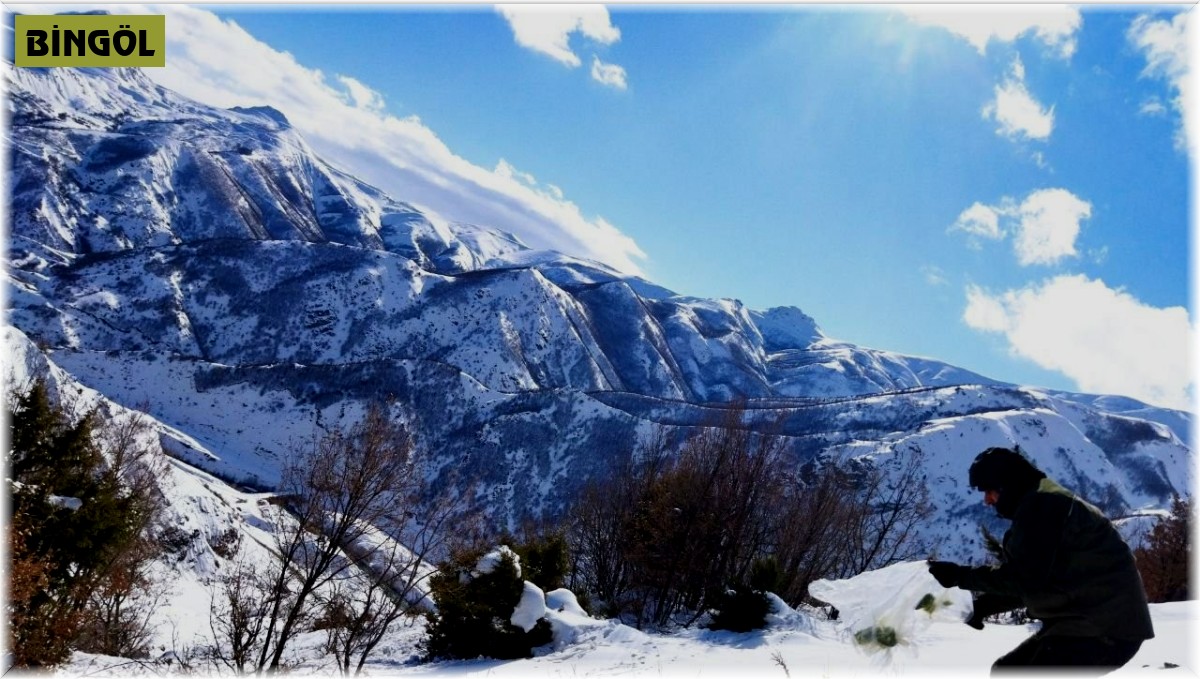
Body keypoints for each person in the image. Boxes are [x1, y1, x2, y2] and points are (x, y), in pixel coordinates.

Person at [927, 447, 1153, 675]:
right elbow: (1037, 579)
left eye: (990, 491)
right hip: (1096, 623)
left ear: (1007, 486)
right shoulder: (1043, 502)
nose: (987, 500)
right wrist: (983, 607)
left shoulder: (1043, 508)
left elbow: (1025, 579)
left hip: (1102, 629)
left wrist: (959, 576)